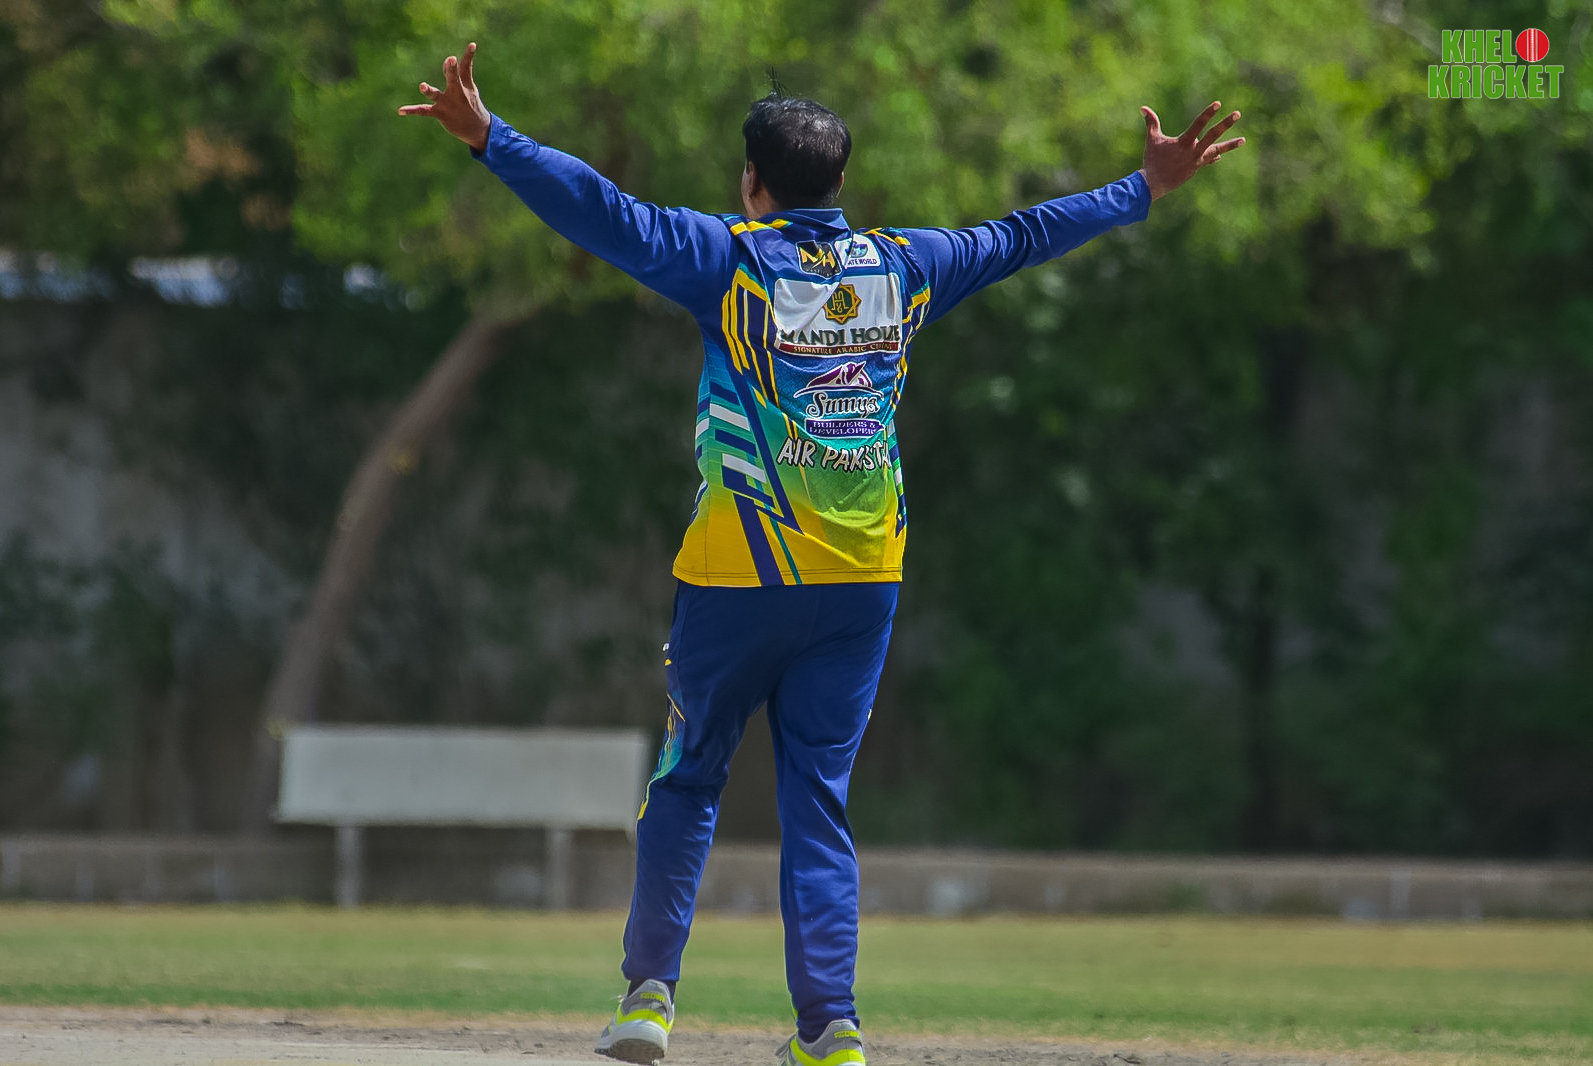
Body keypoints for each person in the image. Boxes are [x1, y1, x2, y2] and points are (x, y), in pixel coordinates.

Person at [401, 42, 1242, 1066]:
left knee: (688, 779)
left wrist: (491, 137)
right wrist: (1141, 188)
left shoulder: (728, 258)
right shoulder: (904, 265)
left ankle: (649, 997)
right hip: (860, 582)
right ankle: (829, 1026)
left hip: (738, 576)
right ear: (840, 182)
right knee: (818, 802)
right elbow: (1023, 234)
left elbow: (601, 209)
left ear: (752, 181)